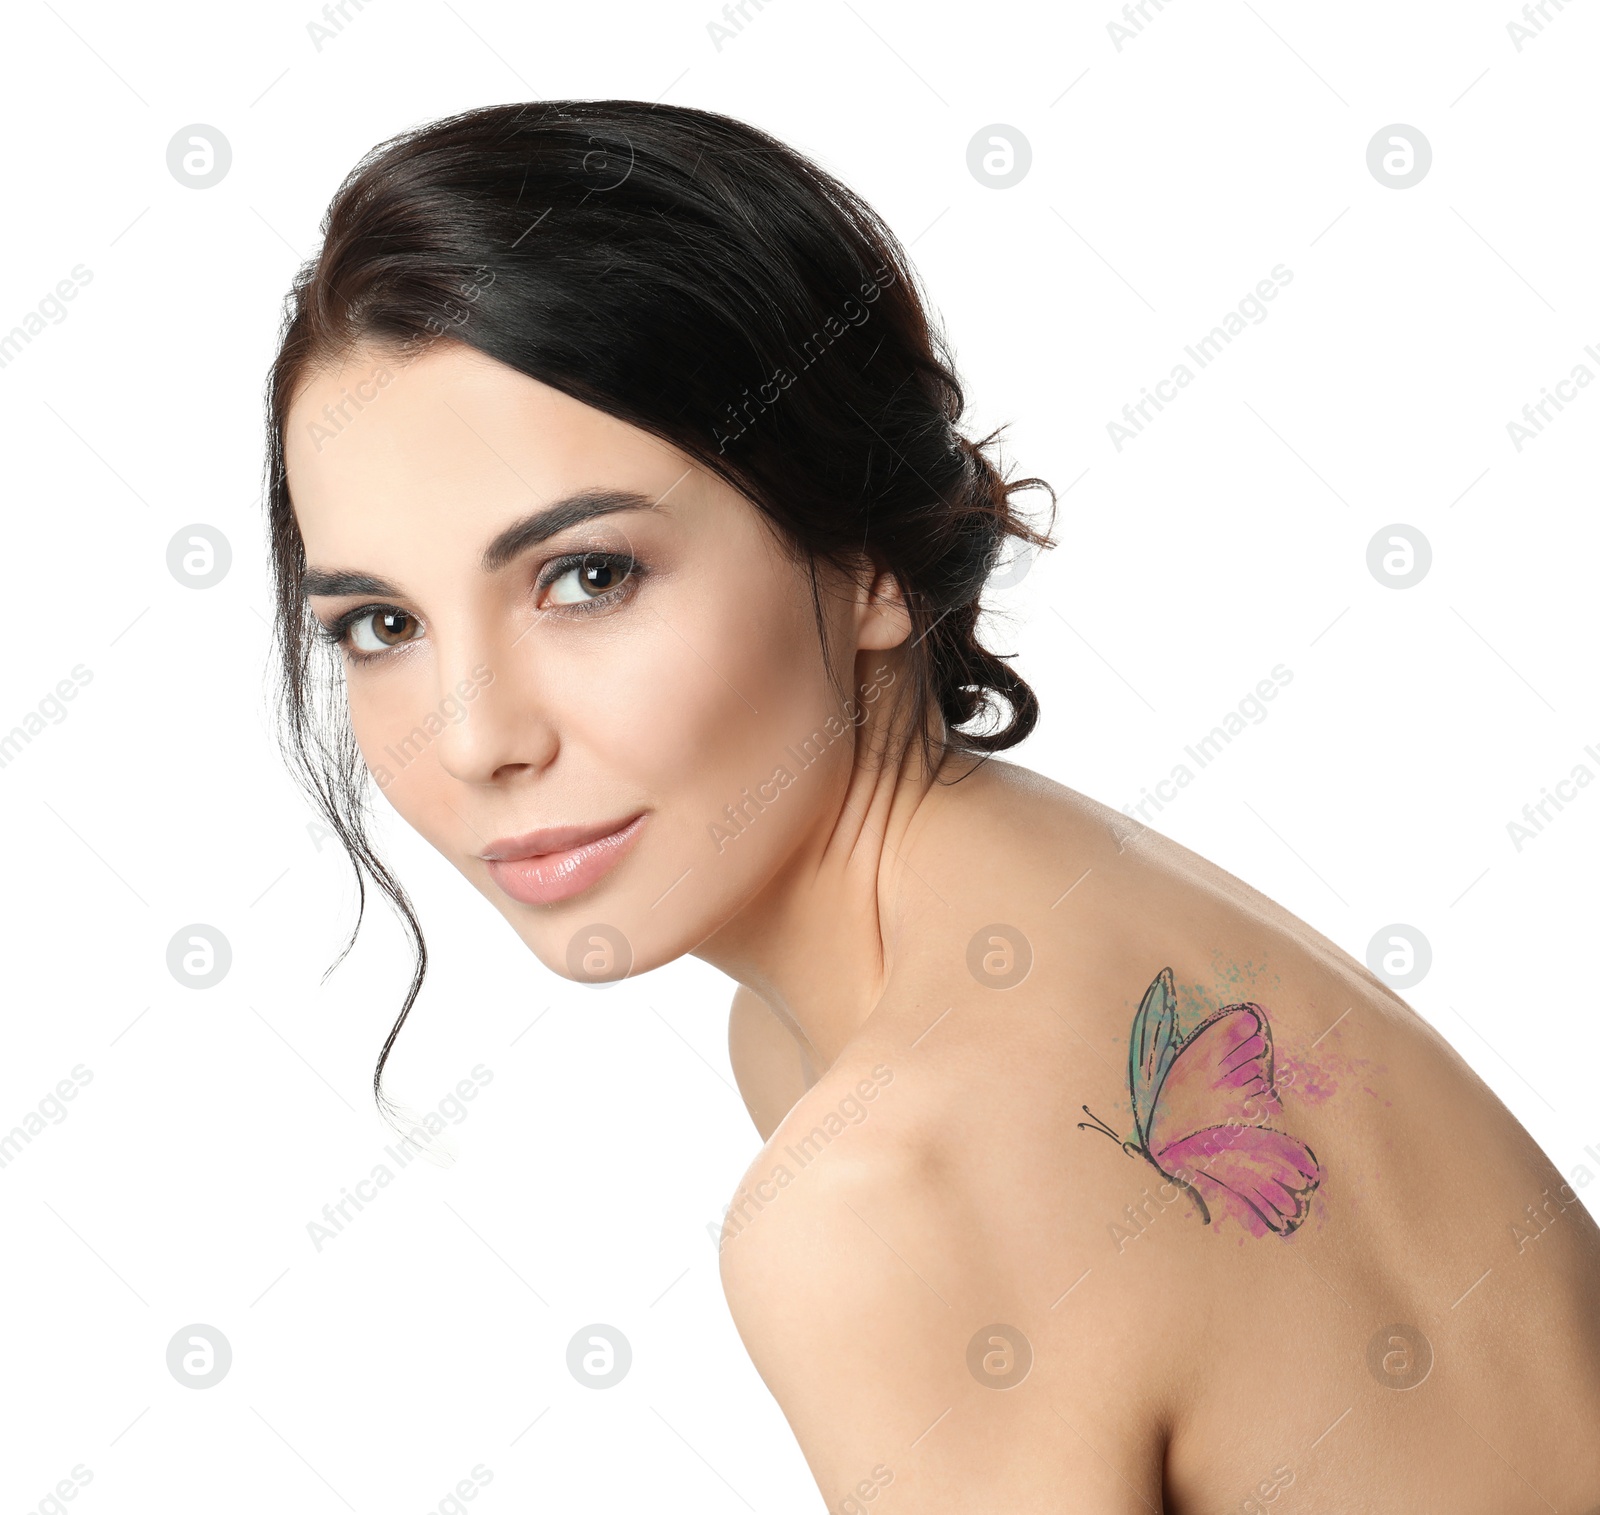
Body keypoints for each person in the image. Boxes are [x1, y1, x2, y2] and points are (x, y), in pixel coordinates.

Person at [265, 98, 1600, 1510]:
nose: (476, 739)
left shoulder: (884, 1194)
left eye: (587, 576)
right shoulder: (1057, 901)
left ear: (868, 563)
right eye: (380, 626)